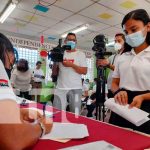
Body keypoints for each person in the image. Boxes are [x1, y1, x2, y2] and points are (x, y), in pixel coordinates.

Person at [0, 33, 52, 150]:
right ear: (5, 52)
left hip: (27, 88)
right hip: (18, 89)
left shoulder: (29, 71)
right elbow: (14, 139)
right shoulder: (3, 66)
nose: (10, 65)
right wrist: (42, 126)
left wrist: (17, 112)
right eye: (12, 61)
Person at [110, 9, 150, 134]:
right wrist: (118, 92)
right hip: (122, 105)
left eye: (134, 29)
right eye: (126, 32)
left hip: (146, 106)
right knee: (115, 139)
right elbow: (114, 83)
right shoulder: (123, 57)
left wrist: (143, 97)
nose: (130, 35)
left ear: (148, 27)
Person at [53, 33, 87, 115]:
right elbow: (54, 72)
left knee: (75, 114)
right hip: (61, 88)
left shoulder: (80, 54)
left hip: (76, 88)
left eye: (73, 40)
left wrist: (71, 65)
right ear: (65, 41)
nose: (71, 41)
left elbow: (84, 71)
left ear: (76, 42)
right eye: (69, 39)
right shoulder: (61, 53)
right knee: (57, 113)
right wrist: (55, 61)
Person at [97, 33, 125, 98]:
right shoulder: (113, 56)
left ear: (125, 42)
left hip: (120, 88)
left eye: (119, 41)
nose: (116, 43)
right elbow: (101, 64)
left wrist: (108, 65)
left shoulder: (127, 55)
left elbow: (121, 71)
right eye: (115, 41)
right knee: (111, 107)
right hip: (110, 87)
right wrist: (100, 59)